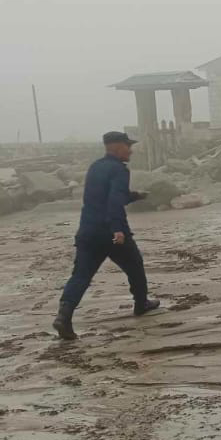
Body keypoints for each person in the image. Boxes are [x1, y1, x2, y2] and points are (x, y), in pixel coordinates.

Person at [52, 131, 160, 339]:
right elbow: (114, 201)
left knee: (81, 275)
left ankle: (63, 316)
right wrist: (118, 229)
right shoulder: (119, 170)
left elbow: (101, 197)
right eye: (128, 146)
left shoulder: (95, 167)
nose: (130, 150)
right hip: (111, 232)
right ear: (117, 146)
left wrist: (134, 196)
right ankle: (141, 303)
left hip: (87, 231)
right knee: (134, 264)